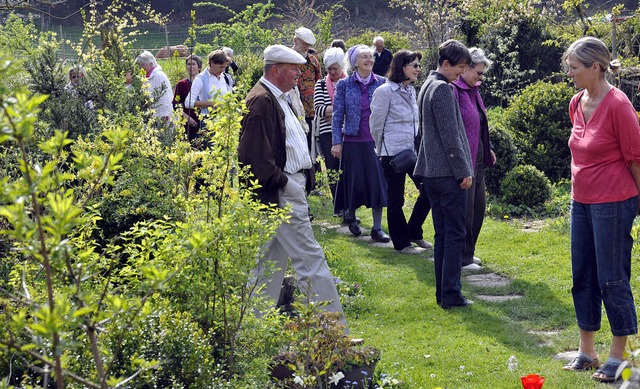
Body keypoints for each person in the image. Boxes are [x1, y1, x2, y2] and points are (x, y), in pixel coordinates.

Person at [237, 44, 348, 331]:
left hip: (286, 187)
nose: (300, 74)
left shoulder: (279, 96)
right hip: (280, 191)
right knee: (310, 259)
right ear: (275, 70)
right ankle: (332, 332)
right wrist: (287, 183)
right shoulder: (261, 101)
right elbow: (254, 158)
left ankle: (251, 332)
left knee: (268, 264)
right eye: (294, 69)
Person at [561, 36, 640, 383]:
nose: (570, 74)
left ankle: (618, 357)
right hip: (582, 201)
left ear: (595, 67)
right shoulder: (577, 102)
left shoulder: (619, 105)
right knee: (583, 275)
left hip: (614, 202)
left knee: (612, 278)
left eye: (575, 68)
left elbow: (636, 159)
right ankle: (587, 351)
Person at [415, 39, 473, 309]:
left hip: (432, 173)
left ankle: (443, 293)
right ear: (446, 64)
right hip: (447, 174)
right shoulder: (442, 90)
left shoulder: (427, 85)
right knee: (454, 235)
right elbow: (451, 138)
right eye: (459, 67)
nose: (461, 73)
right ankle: (451, 294)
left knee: (441, 234)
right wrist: (463, 171)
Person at [370, 50, 432, 255]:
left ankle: (414, 231)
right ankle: (401, 243)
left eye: (418, 65)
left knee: (429, 190)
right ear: (401, 67)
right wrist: (382, 150)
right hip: (392, 153)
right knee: (396, 199)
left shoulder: (411, 90)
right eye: (414, 65)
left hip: (411, 151)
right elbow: (376, 124)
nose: (418, 69)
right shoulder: (384, 91)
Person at [331, 44, 390, 243]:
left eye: (371, 57)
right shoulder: (344, 85)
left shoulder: (382, 83)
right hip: (353, 141)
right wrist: (336, 142)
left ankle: (377, 227)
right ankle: (352, 217)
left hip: (375, 141)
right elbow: (338, 116)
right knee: (353, 181)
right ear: (355, 62)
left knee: (377, 182)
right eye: (364, 57)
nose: (369, 60)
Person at [452, 48, 497, 271]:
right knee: (465, 210)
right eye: (478, 72)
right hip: (464, 158)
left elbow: (479, 124)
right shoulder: (454, 90)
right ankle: (461, 257)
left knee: (478, 207)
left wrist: (488, 148)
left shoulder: (474, 90)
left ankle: (469, 252)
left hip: (478, 156)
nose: (480, 78)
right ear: (465, 68)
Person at [313, 47, 346, 205]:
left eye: (335, 68)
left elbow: (356, 108)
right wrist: (342, 109)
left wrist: (332, 111)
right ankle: (338, 205)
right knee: (332, 169)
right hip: (327, 133)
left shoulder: (349, 83)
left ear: (342, 67)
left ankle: (349, 204)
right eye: (329, 69)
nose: (332, 72)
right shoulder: (320, 85)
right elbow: (319, 109)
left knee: (347, 169)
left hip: (348, 132)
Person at [292, 27, 323, 181]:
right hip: (291, 110)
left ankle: (313, 180)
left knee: (312, 146)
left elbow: (319, 83)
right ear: (295, 40)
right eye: (303, 43)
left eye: (308, 44)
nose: (306, 47)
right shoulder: (287, 59)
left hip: (310, 111)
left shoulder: (313, 61)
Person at [184, 50, 234, 124]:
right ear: (211, 63)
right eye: (220, 67)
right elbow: (188, 103)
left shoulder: (227, 78)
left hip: (225, 120)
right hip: (208, 121)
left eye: (225, 67)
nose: (223, 70)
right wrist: (211, 103)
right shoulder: (201, 79)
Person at [135, 50, 173, 121]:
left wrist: (164, 114)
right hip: (152, 116)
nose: (140, 67)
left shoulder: (158, 75)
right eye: (139, 65)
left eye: (142, 64)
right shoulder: (146, 77)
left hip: (163, 116)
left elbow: (164, 96)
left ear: (151, 64)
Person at [173, 54, 203, 142]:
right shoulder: (181, 84)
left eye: (193, 64)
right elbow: (176, 105)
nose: (191, 67)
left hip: (203, 120)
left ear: (199, 67)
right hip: (188, 123)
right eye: (189, 64)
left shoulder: (204, 82)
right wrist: (187, 118)